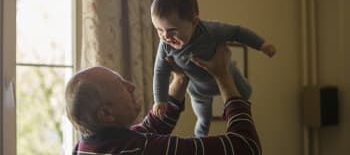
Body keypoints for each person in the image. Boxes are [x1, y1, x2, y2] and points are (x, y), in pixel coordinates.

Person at [65, 44, 262, 154]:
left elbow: (149, 128)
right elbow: (246, 147)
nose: (131, 86)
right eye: (121, 86)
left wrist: (180, 79)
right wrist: (224, 77)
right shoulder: (142, 150)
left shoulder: (86, 147)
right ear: (106, 113)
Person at [151, 0, 276, 136]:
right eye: (159, 30)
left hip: (227, 73)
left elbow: (237, 32)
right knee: (203, 118)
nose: (166, 37)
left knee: (246, 92)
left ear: (194, 22)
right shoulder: (165, 45)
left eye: (172, 30)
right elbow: (160, 72)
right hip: (198, 89)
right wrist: (160, 100)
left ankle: (229, 112)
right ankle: (200, 140)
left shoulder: (210, 31)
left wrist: (261, 44)